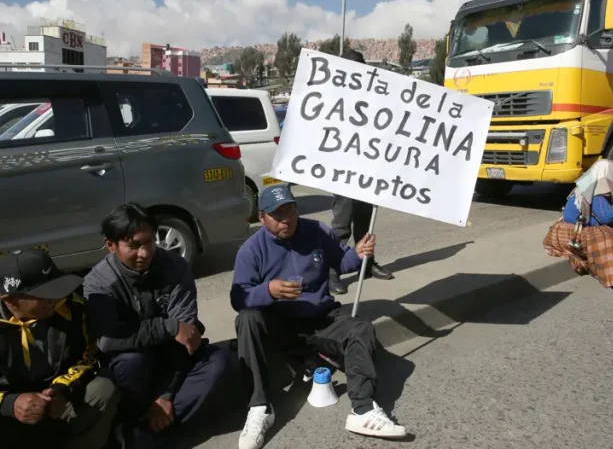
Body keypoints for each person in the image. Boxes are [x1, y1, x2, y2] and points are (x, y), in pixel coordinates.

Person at [231, 184, 406, 449]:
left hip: (321, 318)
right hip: (280, 324)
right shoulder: (251, 250)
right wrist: (268, 291)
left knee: (361, 329)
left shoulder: (317, 231)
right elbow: (238, 297)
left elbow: (343, 262)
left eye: (290, 211)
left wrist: (358, 254)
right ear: (262, 218)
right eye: (277, 215)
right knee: (246, 319)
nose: (286, 220)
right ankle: (259, 408)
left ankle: (363, 410)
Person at [83, 203, 229, 448]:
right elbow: (108, 340)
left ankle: (144, 429)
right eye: (133, 246)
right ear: (110, 245)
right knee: (132, 361)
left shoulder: (175, 267)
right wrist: (169, 327)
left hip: (171, 356)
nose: (144, 253)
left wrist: (165, 394)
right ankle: (136, 421)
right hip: (131, 367)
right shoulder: (98, 283)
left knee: (218, 362)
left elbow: (186, 331)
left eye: (149, 242)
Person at [0, 250, 119, 449]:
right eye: (44, 294)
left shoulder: (73, 308)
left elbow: (87, 358)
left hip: (57, 402)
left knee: (103, 389)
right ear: (10, 300)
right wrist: (10, 404)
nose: (56, 298)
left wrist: (61, 390)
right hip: (8, 415)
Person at [327, 48, 393, 295]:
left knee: (366, 222)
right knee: (341, 224)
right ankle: (331, 270)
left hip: (369, 169)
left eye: (361, 68)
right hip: (343, 169)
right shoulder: (335, 98)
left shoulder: (375, 97)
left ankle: (366, 264)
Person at [545, 160, 613, 287]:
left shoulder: (590, 187)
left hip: (577, 227)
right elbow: (606, 218)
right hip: (576, 231)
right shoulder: (597, 193)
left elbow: (607, 212)